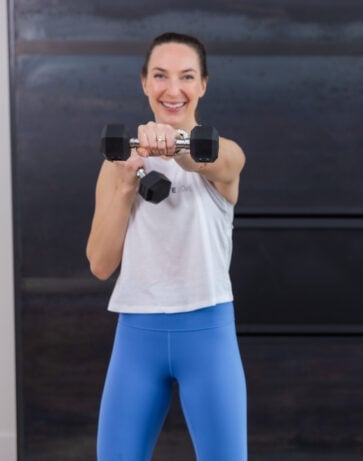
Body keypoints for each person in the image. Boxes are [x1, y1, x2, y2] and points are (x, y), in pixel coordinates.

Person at [86, 32, 247, 460]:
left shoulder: (225, 155)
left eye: (186, 77)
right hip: (137, 334)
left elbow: (206, 160)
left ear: (203, 85)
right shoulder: (120, 162)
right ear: (144, 82)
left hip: (207, 333)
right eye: (160, 75)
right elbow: (100, 264)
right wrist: (124, 185)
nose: (172, 89)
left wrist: (174, 148)